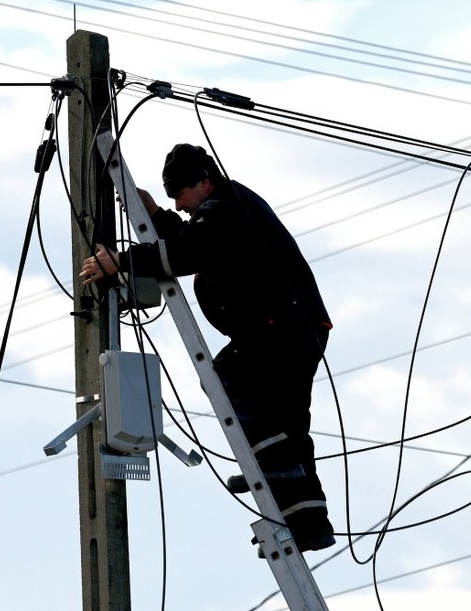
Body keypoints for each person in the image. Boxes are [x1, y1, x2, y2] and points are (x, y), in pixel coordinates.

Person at [81, 143, 335, 554]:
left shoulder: (225, 206)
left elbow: (187, 249)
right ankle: (309, 520)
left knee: (233, 380)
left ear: (202, 182)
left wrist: (121, 261)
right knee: (289, 423)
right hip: (293, 327)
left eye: (180, 197)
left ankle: (270, 471)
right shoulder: (225, 208)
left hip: (280, 328)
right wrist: (154, 216)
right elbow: (188, 237)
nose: (179, 207)